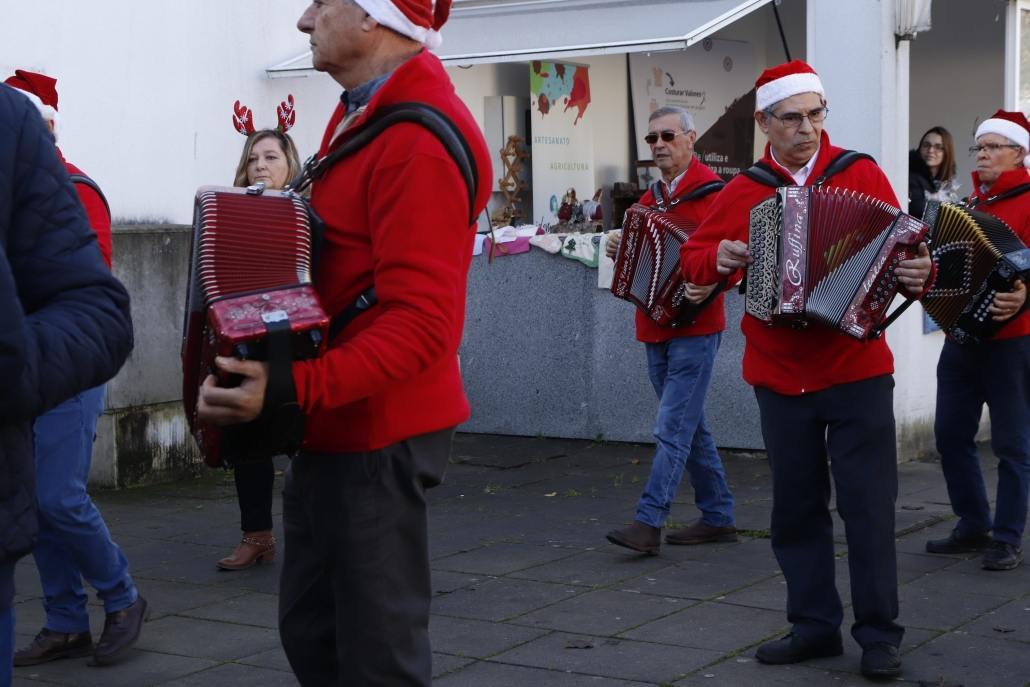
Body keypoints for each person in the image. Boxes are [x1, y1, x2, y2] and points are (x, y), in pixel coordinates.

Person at [196, 0, 492, 683]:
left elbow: (423, 327)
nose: (304, 21)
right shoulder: (360, 114)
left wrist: (291, 386)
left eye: (322, 3)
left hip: (376, 434)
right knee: (314, 634)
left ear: (372, 20)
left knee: (374, 660)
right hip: (334, 425)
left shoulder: (414, 137)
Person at [680, 60, 933, 681]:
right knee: (796, 509)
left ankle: (879, 633)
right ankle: (814, 626)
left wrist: (918, 270)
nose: (807, 129)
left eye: (816, 115)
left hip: (856, 367)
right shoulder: (744, 189)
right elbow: (691, 262)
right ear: (764, 123)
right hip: (780, 373)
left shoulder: (860, 172)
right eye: (791, 118)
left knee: (869, 507)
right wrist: (722, 254)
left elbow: (900, 246)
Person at [3, 70, 147, 669]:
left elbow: (89, 290)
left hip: (62, 369)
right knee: (36, 501)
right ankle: (65, 619)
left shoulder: (76, 187)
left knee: (58, 498)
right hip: (24, 361)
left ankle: (123, 599)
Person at [604, 106, 736, 555]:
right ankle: (718, 514)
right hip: (654, 325)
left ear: (690, 138)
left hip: (698, 327)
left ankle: (649, 521)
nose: (659, 145)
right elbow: (640, 263)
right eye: (652, 139)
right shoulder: (647, 201)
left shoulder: (716, 195)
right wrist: (617, 245)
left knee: (672, 426)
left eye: (667, 136)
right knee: (688, 424)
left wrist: (713, 281)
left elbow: (739, 256)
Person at [925, 110, 1029, 571]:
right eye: (979, 147)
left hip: (1013, 341)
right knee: (949, 434)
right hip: (963, 337)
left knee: (1012, 443)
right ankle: (972, 522)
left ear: (1019, 153)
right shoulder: (970, 205)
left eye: (993, 147)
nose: (982, 154)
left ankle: (1006, 536)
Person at [216, 109, 303, 572]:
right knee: (246, 436)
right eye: (253, 159)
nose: (261, 166)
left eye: (271, 156)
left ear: (290, 163)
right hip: (246, 337)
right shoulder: (229, 212)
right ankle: (258, 536)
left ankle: (319, 533)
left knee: (304, 436)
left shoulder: (308, 211)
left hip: (297, 339)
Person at [908, 126, 960, 218]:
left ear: (947, 152)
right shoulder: (910, 177)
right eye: (926, 145)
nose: (931, 150)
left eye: (938, 147)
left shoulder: (948, 183)